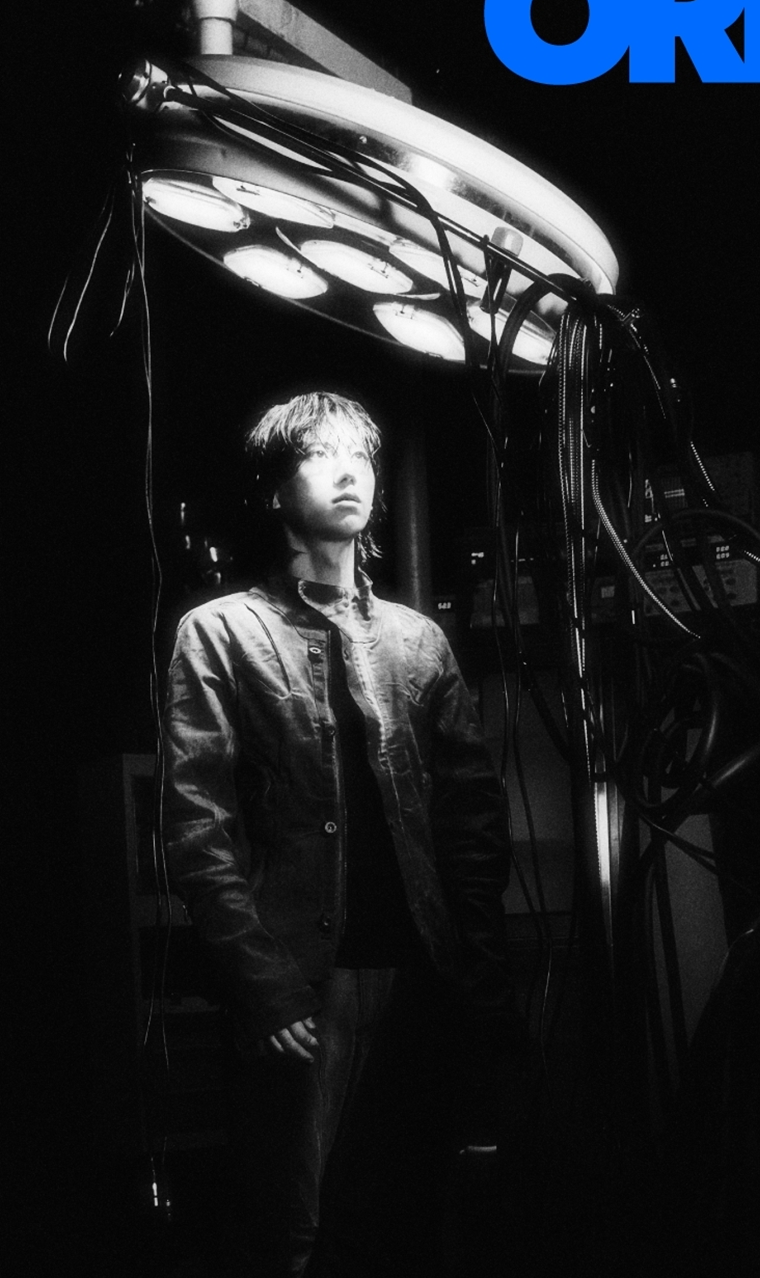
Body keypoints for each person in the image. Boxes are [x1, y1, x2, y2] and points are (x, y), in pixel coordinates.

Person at [161, 388, 515, 1277]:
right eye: (320, 454)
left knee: (409, 1221)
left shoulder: (417, 640)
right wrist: (265, 987)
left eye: (360, 454)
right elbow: (197, 826)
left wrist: (477, 972)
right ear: (276, 487)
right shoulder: (221, 632)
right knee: (295, 1229)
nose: (349, 470)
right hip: (304, 984)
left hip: (421, 973)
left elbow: (471, 817)